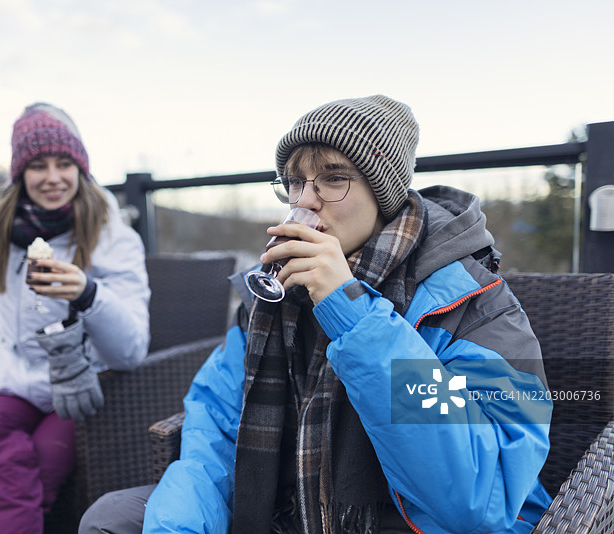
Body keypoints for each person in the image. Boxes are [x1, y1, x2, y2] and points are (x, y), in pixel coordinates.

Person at [78, 95, 553, 534]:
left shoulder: (476, 301)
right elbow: (215, 436)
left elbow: (482, 497)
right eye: (295, 182)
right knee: (111, 518)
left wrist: (352, 311)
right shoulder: (274, 298)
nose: (304, 200)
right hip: (292, 511)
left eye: (333, 178)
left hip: (415, 522)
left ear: (383, 194)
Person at [0, 102, 150, 534]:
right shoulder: (7, 229)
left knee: (36, 464)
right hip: (14, 377)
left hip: (80, 384)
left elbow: (131, 350)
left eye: (64, 163)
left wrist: (88, 293)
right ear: (20, 174)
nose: (53, 177)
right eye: (38, 165)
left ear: (81, 168)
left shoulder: (114, 239)